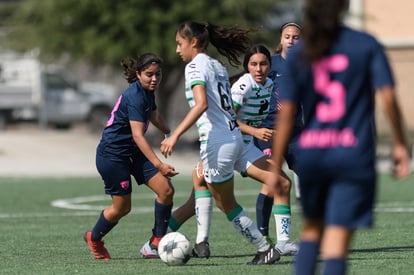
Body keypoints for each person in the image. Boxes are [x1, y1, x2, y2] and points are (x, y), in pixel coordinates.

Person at [271, 1, 412, 274]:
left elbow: (287, 112)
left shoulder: (301, 51)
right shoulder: (365, 44)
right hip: (352, 153)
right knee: (335, 241)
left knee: (312, 230)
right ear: (345, 6)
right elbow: (389, 96)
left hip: (312, 153)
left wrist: (276, 164)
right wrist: (399, 144)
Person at [161, 21, 280, 265]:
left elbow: (202, 104)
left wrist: (175, 135)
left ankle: (264, 248)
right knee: (199, 178)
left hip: (218, 142)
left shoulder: (195, 66)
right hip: (229, 137)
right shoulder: (216, 65)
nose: (177, 50)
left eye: (179, 43)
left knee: (226, 203)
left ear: (193, 42)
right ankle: (197, 242)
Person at [83, 53, 178, 260]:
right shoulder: (134, 96)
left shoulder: (148, 92)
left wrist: (169, 132)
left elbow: (153, 115)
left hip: (132, 152)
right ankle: (94, 237)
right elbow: (137, 135)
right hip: (113, 156)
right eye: (149, 75)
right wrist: (159, 164)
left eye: (158, 74)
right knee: (122, 208)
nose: (154, 79)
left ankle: (156, 243)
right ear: (138, 74)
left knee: (166, 190)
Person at [252, 22, 303, 246]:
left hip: (296, 134)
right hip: (269, 132)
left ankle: (304, 236)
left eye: (296, 37)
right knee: (274, 181)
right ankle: (263, 237)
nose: (291, 41)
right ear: (281, 40)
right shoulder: (269, 66)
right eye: (287, 36)